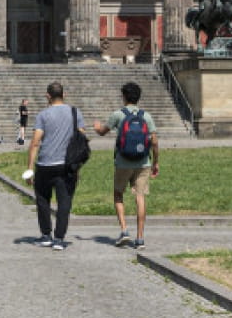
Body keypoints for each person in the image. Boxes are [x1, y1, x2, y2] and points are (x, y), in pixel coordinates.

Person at [93, 81, 159, 248]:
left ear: (124, 97)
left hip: (123, 161)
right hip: (143, 162)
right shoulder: (146, 116)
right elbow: (155, 142)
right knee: (140, 197)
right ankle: (140, 238)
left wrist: (97, 127)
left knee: (118, 194)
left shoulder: (118, 115)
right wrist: (155, 162)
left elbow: (102, 132)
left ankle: (124, 231)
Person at [27, 82, 82, 249]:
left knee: (43, 200)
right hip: (66, 165)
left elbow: (35, 142)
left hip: (45, 163)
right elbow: (81, 140)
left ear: (47, 96)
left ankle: (45, 235)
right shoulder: (75, 113)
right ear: (64, 95)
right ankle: (59, 238)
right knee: (64, 201)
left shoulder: (43, 115)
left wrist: (30, 167)